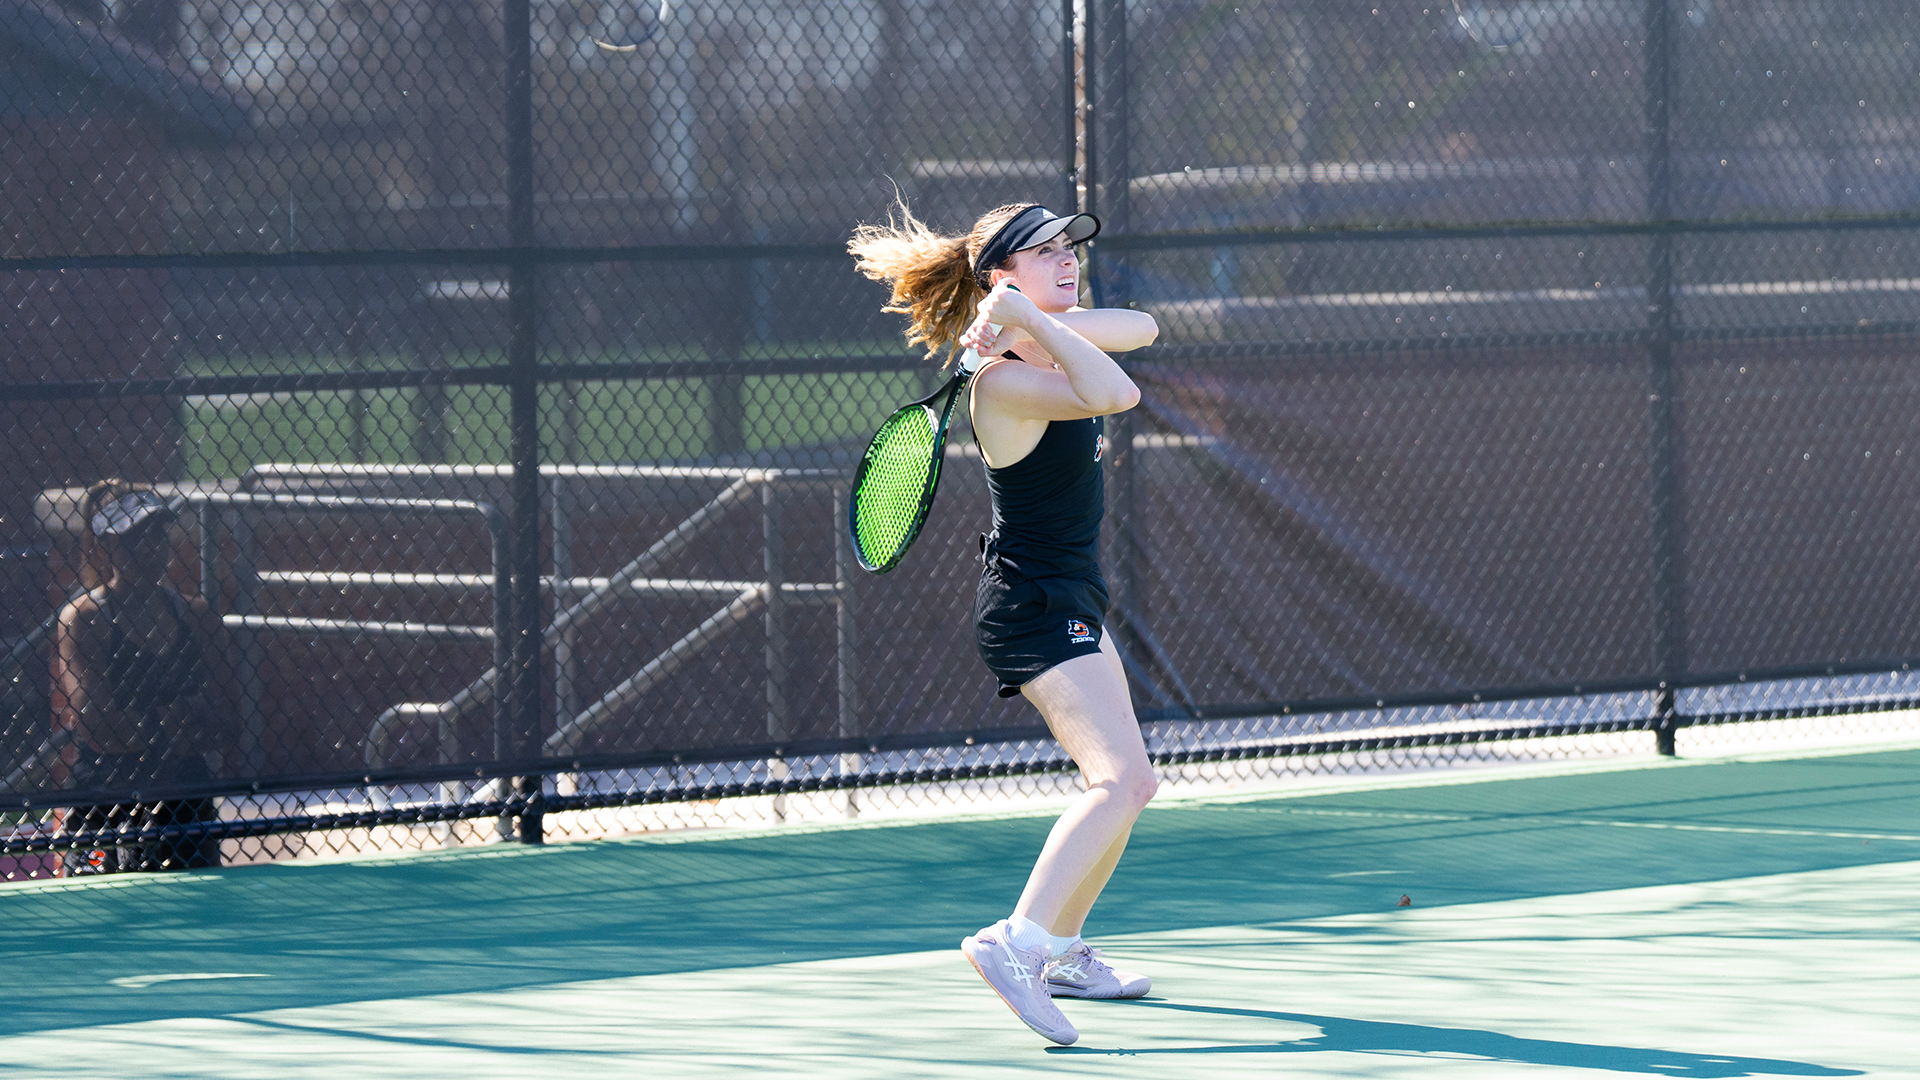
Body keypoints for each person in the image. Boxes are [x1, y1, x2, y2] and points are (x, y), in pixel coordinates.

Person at [851, 203, 1160, 1044]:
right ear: (1001, 274)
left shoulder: (1040, 334)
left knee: (1134, 785)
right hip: (1033, 607)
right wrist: (1024, 327)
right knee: (1121, 782)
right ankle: (1014, 941)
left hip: (1069, 596)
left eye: (1070, 247)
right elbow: (1116, 391)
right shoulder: (1004, 383)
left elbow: (1143, 324)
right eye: (1044, 251)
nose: (1066, 259)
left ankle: (1060, 949)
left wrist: (1028, 316)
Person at [52, 481, 234, 874]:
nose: (151, 548)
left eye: (157, 536)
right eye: (135, 538)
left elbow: (228, 719)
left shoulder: (197, 615)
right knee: (89, 892)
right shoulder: (84, 620)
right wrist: (180, 721)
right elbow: (98, 727)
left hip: (184, 799)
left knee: (200, 905)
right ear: (107, 547)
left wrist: (143, 726)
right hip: (104, 799)